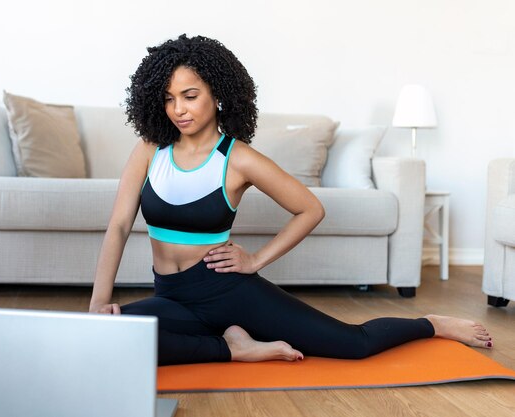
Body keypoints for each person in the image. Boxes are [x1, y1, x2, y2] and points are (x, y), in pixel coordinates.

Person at [89, 34, 492, 366]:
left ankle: (432, 324)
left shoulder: (239, 158)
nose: (179, 109)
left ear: (217, 94)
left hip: (228, 291)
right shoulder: (150, 150)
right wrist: (99, 301)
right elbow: (120, 225)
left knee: (353, 345)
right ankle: (232, 346)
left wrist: (255, 260)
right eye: (169, 98)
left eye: (190, 95)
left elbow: (310, 208)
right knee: (107, 338)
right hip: (172, 294)